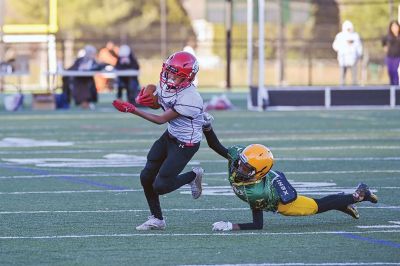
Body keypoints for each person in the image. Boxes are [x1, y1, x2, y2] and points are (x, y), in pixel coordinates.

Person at [201, 115, 378, 231]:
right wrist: (207, 127)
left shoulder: (256, 193)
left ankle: (360, 194)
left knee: (318, 206)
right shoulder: (239, 158)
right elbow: (215, 146)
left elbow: (258, 224)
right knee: (322, 203)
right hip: (270, 183)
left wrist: (231, 226)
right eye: (241, 163)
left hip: (283, 203)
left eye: (246, 168)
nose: (239, 167)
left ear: (258, 173)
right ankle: (342, 201)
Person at [112, 51, 204, 230]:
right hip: (171, 135)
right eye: (169, 71)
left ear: (187, 78)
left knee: (161, 186)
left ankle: (193, 176)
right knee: (146, 176)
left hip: (186, 143)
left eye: (175, 74)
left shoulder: (191, 98)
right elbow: (159, 104)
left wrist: (133, 109)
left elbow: (161, 119)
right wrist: (146, 100)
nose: (169, 76)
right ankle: (157, 218)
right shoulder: (167, 84)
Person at [67, 45, 103, 109]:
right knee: (78, 84)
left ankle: (86, 102)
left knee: (85, 85)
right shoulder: (80, 60)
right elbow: (72, 68)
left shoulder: (94, 61)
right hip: (78, 79)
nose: (92, 55)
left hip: (88, 79)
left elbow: (98, 67)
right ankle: (82, 102)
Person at [332, 20, 363, 86]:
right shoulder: (340, 36)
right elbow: (335, 46)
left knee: (354, 76)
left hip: (353, 59)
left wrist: (359, 54)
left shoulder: (355, 36)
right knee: (342, 75)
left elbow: (359, 46)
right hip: (343, 59)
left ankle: (355, 89)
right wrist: (342, 48)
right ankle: (341, 88)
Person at [382, 20, 400, 85]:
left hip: (398, 56)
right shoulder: (389, 36)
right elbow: (383, 40)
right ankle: (392, 86)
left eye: (396, 26)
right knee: (390, 72)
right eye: (393, 27)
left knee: (395, 71)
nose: (395, 28)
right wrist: (384, 47)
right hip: (389, 56)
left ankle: (396, 87)